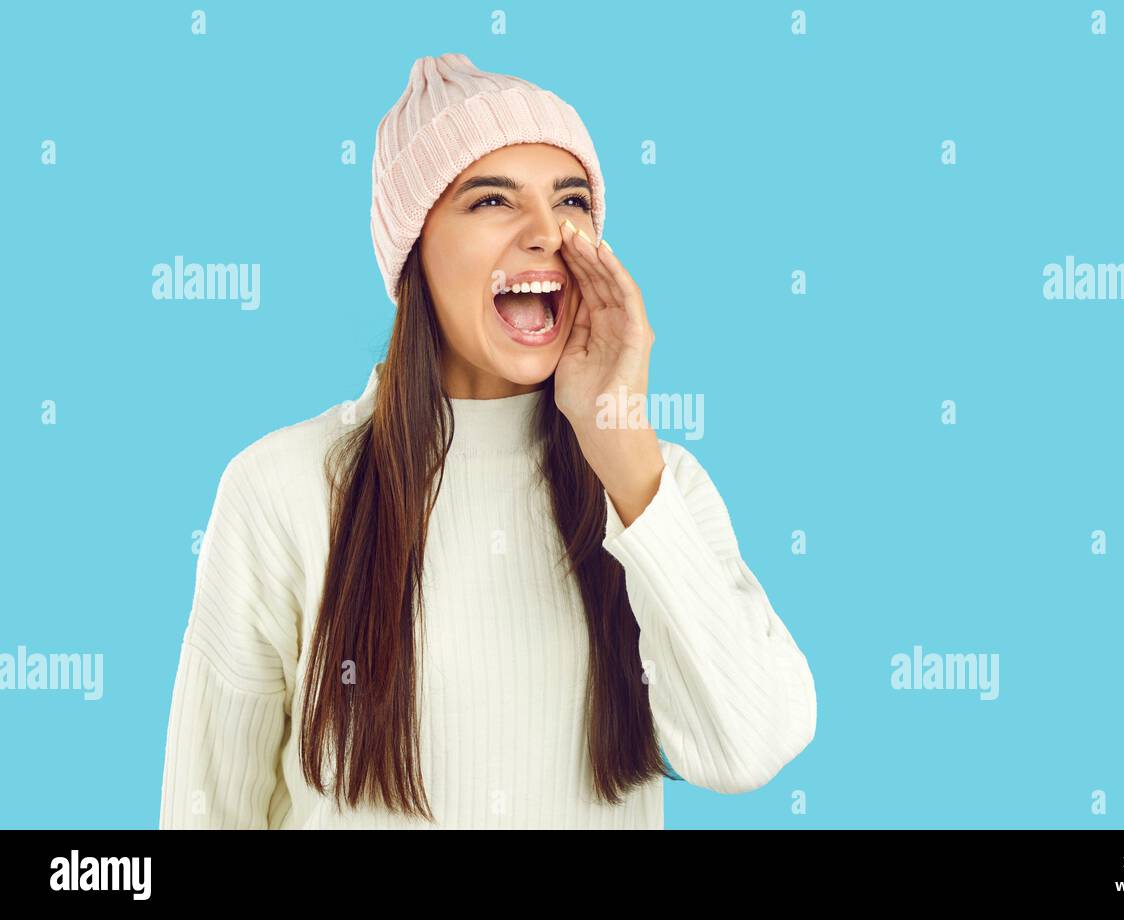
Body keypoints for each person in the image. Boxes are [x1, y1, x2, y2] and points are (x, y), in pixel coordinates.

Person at [158, 53, 816, 829]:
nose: (547, 233)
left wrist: (622, 447)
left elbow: (751, 746)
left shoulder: (654, 485)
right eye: (492, 200)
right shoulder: (281, 488)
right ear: (415, 252)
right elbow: (208, 809)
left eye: (571, 200)